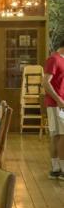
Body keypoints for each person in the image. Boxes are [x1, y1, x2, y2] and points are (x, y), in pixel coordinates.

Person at [43, 39, 64, 179]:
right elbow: (46, 82)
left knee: (58, 135)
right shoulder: (54, 59)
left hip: (60, 103)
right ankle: (61, 170)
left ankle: (56, 169)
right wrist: (59, 100)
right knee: (60, 136)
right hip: (56, 104)